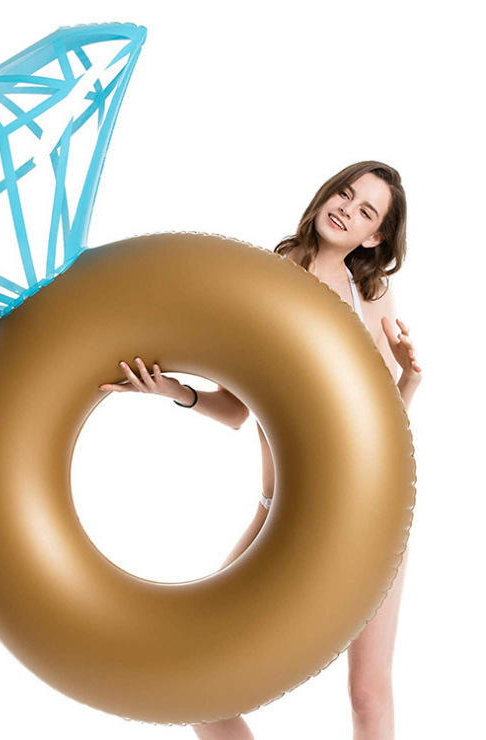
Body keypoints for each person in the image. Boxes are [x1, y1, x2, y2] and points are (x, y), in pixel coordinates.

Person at [98, 161, 422, 739]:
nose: (346, 209)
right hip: (279, 515)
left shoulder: (372, 296)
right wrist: (174, 390)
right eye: (344, 193)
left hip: (368, 511)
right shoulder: (268, 277)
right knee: (191, 679)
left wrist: (409, 381)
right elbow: (236, 410)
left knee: (368, 694)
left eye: (365, 211)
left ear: (375, 236)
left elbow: (382, 433)